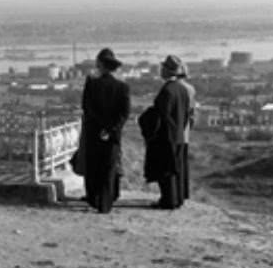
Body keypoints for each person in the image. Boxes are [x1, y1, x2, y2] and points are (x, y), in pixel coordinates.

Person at [79, 48, 131, 213]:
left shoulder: (92, 84)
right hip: (113, 134)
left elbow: (87, 108)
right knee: (109, 167)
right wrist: (111, 128)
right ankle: (106, 203)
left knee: (94, 165)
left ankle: (94, 198)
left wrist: (100, 126)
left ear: (100, 65)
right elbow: (125, 112)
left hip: (93, 131)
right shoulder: (122, 86)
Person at [142, 54, 195, 209]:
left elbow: (161, 114)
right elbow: (187, 115)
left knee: (165, 170)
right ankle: (176, 199)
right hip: (178, 134)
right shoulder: (182, 89)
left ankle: (168, 200)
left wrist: (151, 130)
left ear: (167, 70)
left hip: (166, 136)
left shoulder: (167, 90)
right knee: (175, 168)